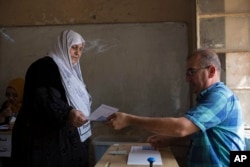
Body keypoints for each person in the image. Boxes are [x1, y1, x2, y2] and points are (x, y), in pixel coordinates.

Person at [106, 48, 246, 167]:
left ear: (211, 71)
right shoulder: (208, 97)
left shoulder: (220, 97)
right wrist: (171, 140)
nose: (187, 79)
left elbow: (181, 127)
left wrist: (130, 120)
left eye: (191, 72)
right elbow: (199, 132)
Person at [11, 30, 92, 167]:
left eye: (80, 49)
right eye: (73, 47)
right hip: (41, 140)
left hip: (63, 139)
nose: (78, 53)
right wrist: (67, 112)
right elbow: (44, 98)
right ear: (61, 46)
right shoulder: (44, 66)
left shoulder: (72, 74)